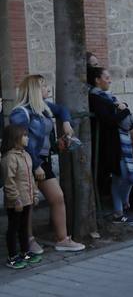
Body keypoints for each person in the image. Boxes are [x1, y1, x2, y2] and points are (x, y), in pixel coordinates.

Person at [10, 75, 85, 253]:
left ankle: (63, 240)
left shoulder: (43, 108)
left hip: (42, 161)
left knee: (57, 197)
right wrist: (35, 165)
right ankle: (27, 241)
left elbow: (62, 110)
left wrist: (66, 124)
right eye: (43, 86)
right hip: (27, 163)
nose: (47, 89)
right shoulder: (20, 113)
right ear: (34, 90)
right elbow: (20, 142)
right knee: (28, 203)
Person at [89, 67, 133, 222]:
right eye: (107, 77)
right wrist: (124, 110)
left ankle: (122, 206)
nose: (110, 80)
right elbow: (108, 120)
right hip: (110, 145)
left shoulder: (109, 97)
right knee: (121, 176)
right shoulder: (96, 98)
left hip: (120, 143)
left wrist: (122, 108)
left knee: (127, 177)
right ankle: (119, 211)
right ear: (97, 80)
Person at [1, 125, 43, 269]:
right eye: (24, 136)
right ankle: (12, 257)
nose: (27, 138)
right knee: (13, 227)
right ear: (14, 139)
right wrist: (15, 199)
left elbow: (31, 178)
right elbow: (9, 181)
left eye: (27, 135)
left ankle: (25, 252)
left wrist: (35, 194)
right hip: (17, 201)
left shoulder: (26, 155)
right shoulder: (9, 158)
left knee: (24, 227)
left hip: (27, 199)